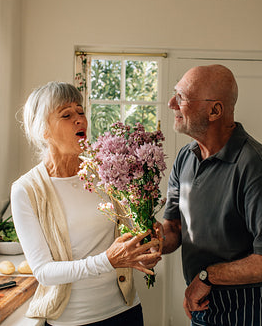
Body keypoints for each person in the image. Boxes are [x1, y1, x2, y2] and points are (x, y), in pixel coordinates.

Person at [11, 81, 162, 326]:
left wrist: (147, 242)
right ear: (43, 131)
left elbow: (126, 233)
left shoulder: (105, 173)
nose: (80, 119)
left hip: (126, 311)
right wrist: (108, 261)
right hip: (74, 320)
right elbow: (44, 272)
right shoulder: (26, 190)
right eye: (66, 115)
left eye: (80, 111)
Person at [161, 65, 262, 326]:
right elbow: (174, 227)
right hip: (203, 306)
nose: (171, 104)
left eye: (181, 97)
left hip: (255, 311)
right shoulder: (185, 158)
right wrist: (150, 242)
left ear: (215, 111)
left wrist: (206, 277)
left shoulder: (255, 165)